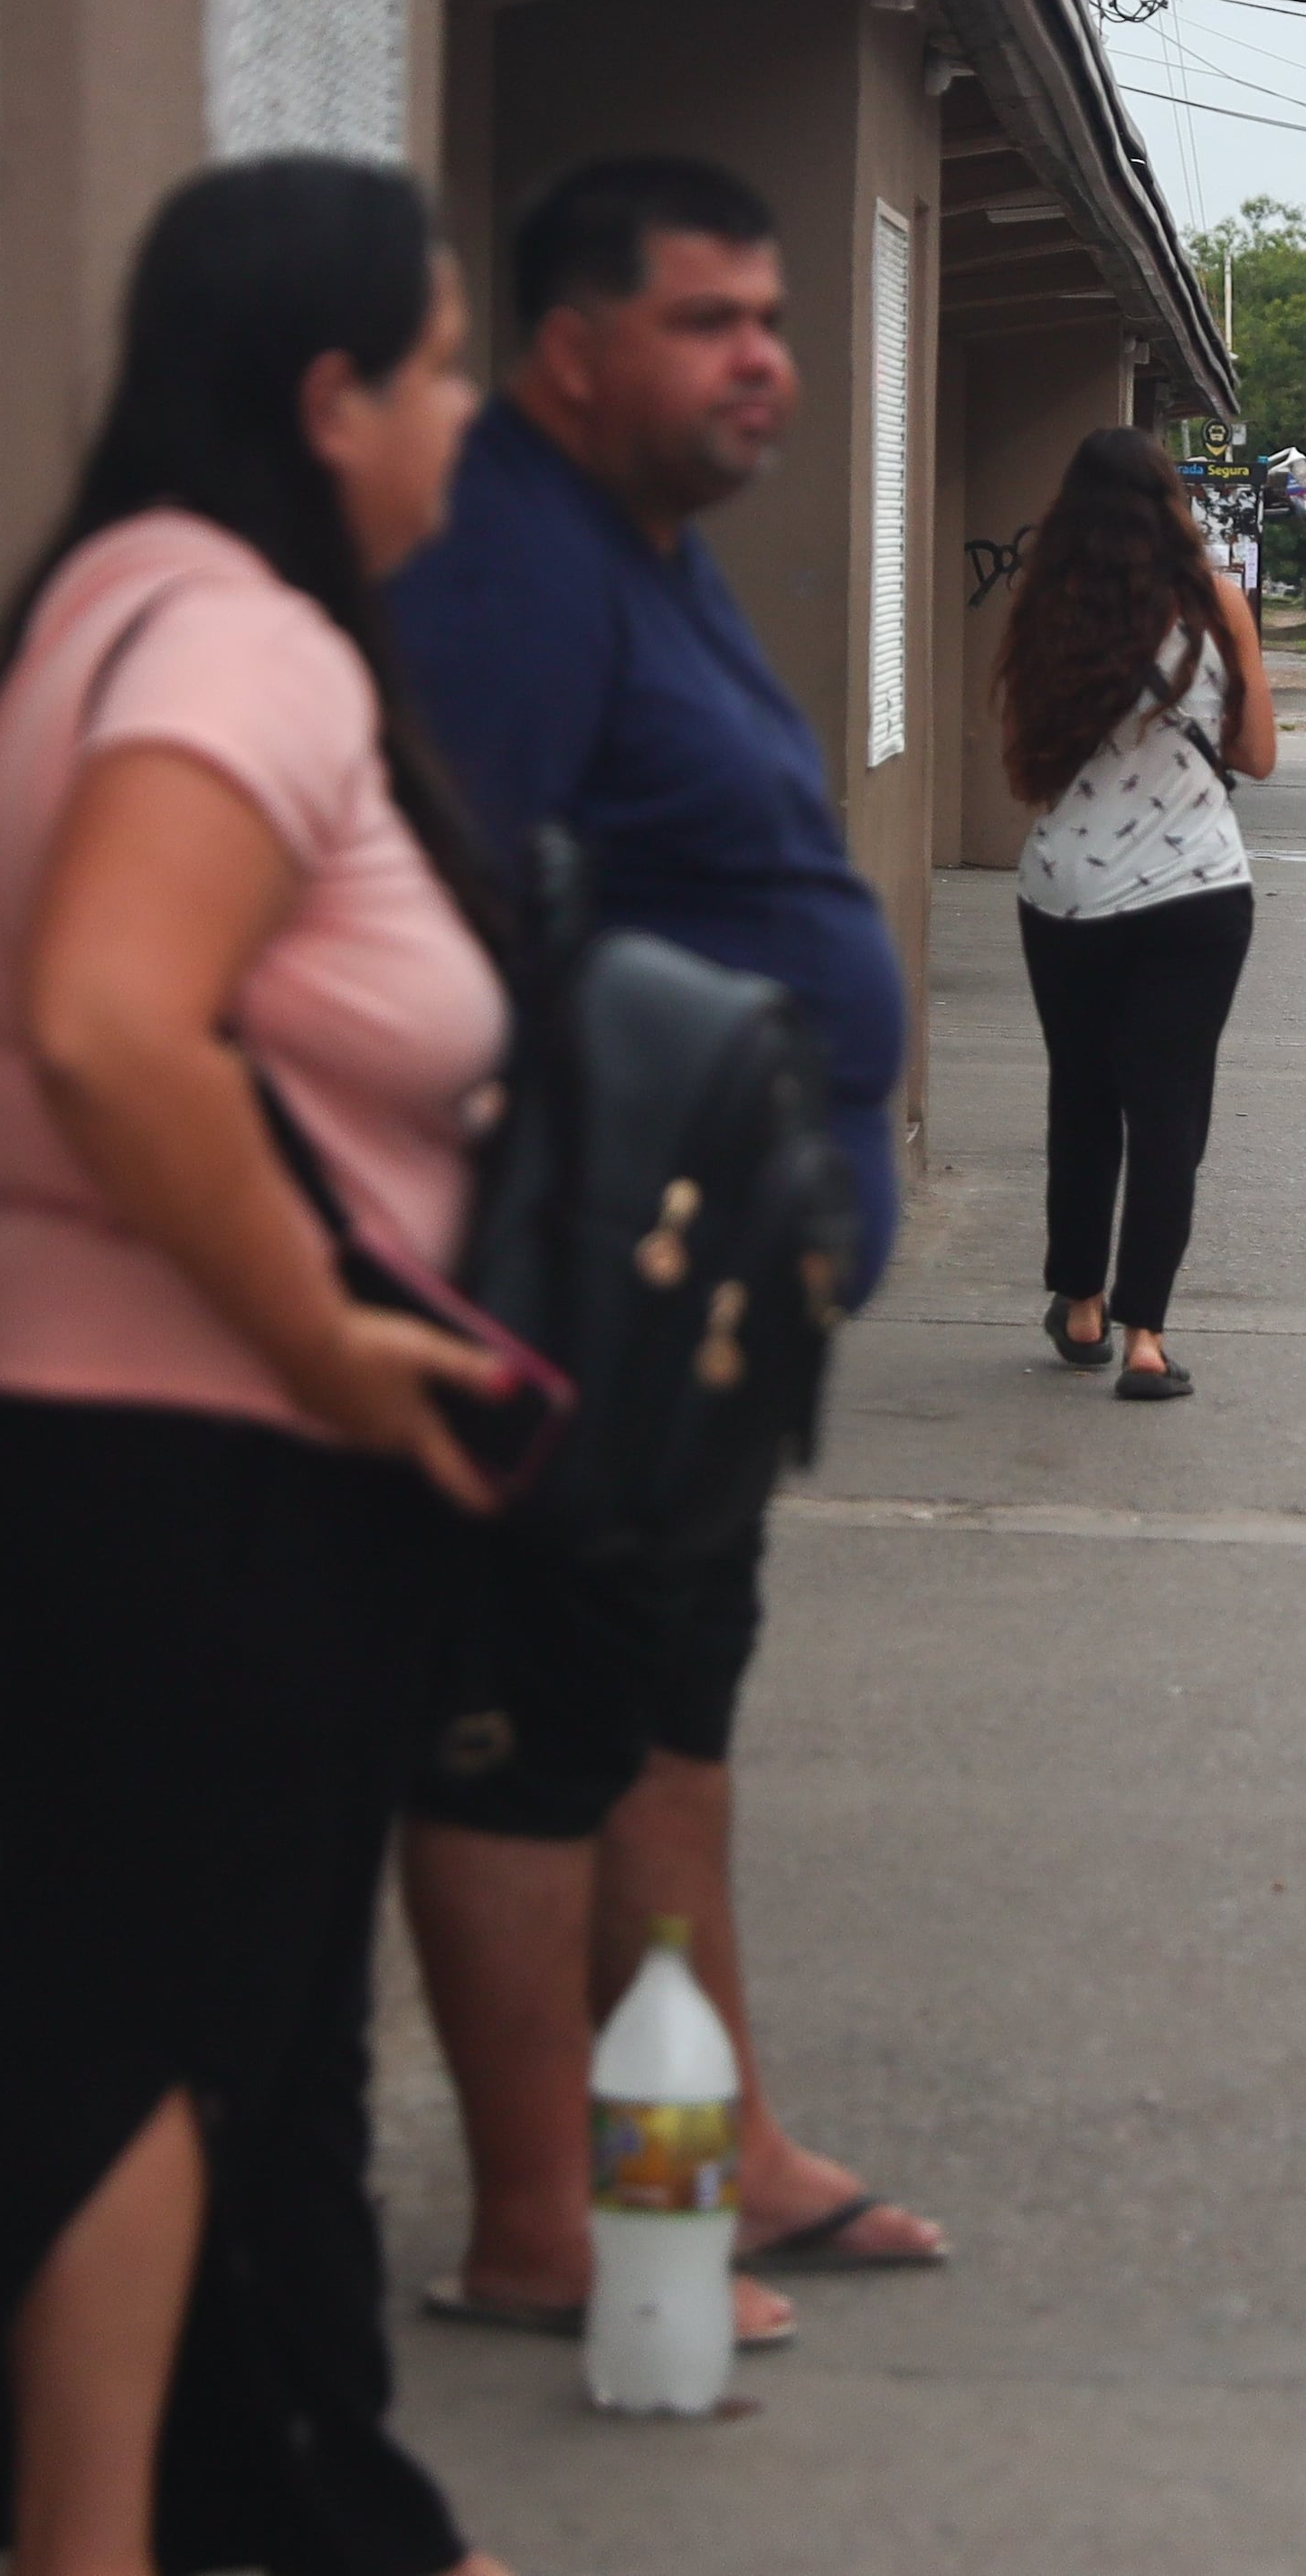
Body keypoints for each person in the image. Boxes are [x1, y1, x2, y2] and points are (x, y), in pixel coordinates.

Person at [0, 155, 516, 2576]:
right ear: (331, 390)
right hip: (193, 1439)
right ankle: (80, 2539)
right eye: (444, 364)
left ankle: (229, 2499)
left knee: (171, 2003)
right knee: (147, 2019)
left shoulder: (114, 605)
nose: (461, 416)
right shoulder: (242, 637)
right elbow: (111, 1024)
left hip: (97, 1422)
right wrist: (333, 1343)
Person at [386, 154, 944, 2361]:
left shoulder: (647, 551)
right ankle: (545, 2213)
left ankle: (712, 2152)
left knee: (666, 1738)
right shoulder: (511, 570)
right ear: (570, 344)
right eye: (712, 321)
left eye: (776, 320)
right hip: (575, 1299)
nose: (767, 365)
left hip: (702, 1305)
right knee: (534, 1745)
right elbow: (437, 922)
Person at [998, 427, 1278, 1401]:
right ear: (1170, 509)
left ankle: (1079, 1308)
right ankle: (1147, 1338)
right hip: (1195, 891)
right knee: (1169, 1113)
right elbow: (1256, 756)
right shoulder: (1217, 609)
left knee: (1080, 1098)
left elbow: (1021, 753)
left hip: (1066, 891)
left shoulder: (1047, 612)